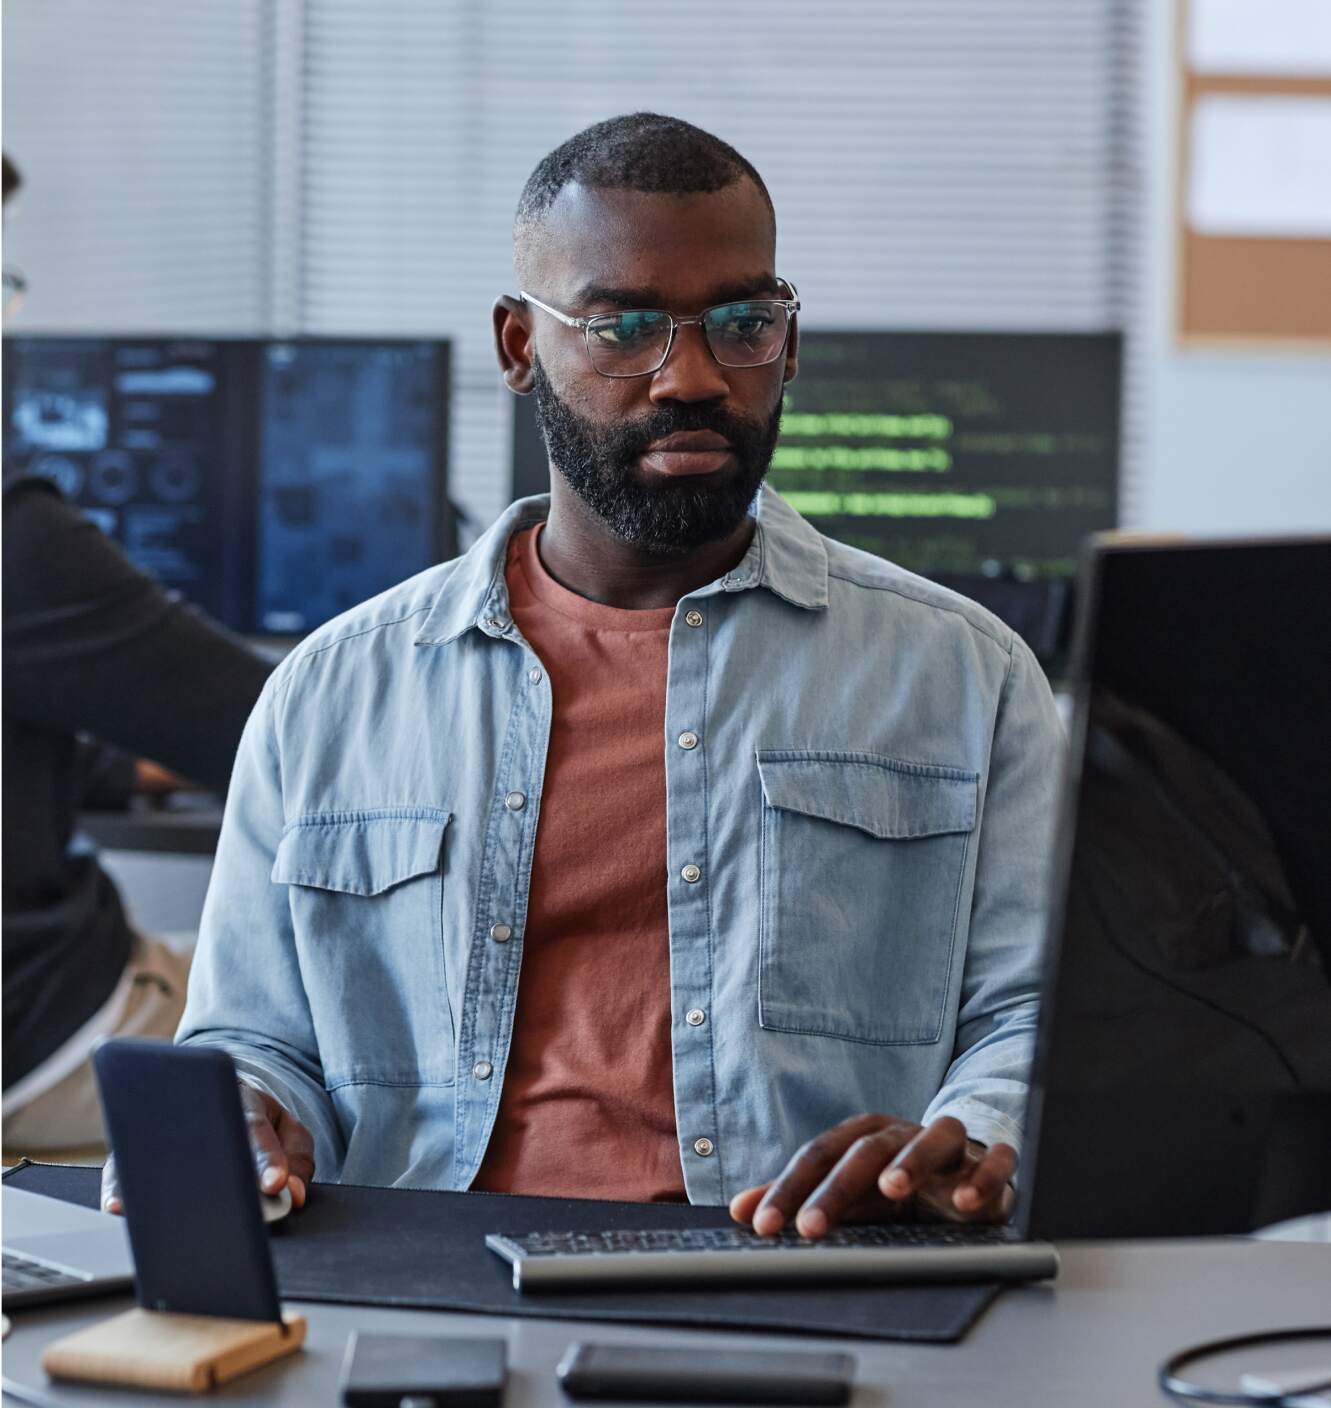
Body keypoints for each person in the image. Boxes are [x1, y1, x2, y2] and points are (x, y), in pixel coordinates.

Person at [106, 114, 1063, 1236]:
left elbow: (1036, 1014)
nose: (694, 377)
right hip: (425, 1267)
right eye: (623, 326)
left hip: (819, 1259)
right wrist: (245, 1110)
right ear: (519, 347)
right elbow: (253, 1036)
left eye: (744, 322)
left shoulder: (965, 676)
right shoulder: (331, 693)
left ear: (790, 342)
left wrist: (971, 1134)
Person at [2, 153, 274, 1152]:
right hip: (39, 1041)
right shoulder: (14, 542)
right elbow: (285, 733)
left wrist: (117, 759)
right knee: (349, 1034)